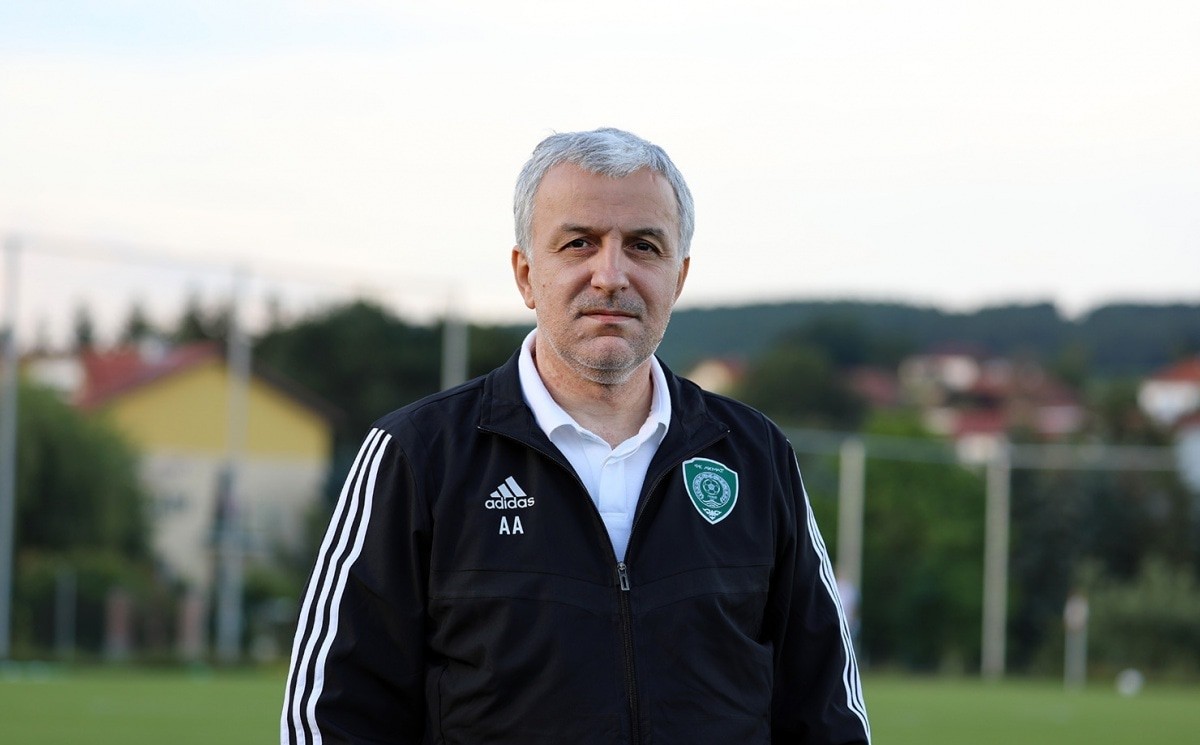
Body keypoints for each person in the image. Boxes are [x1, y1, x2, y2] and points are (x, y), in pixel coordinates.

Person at [281, 127, 870, 744]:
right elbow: (332, 718)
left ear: (678, 277)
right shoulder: (418, 454)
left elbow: (826, 712)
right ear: (526, 274)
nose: (610, 275)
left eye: (643, 246)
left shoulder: (755, 455)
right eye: (579, 243)